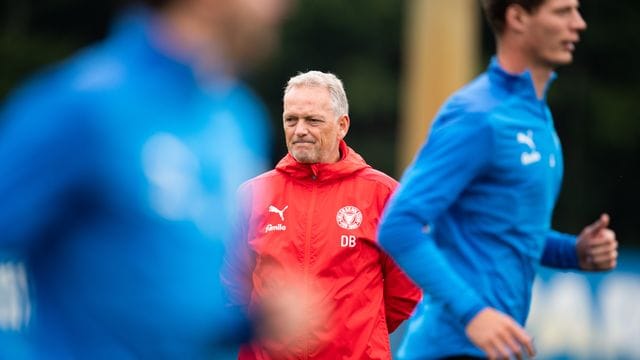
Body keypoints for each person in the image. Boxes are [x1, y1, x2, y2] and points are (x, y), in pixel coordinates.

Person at [0, 0, 292, 358]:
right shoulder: (82, 106)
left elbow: (175, 304)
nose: (282, 7)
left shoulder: (238, 119)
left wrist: (250, 321)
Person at [378, 0, 619, 359]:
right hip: (448, 350)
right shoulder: (478, 115)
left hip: (494, 350)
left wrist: (573, 253)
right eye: (562, 11)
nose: (578, 23)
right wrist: (472, 313)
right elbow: (398, 225)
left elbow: (508, 231)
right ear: (517, 17)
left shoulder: (537, 119)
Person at [222, 70, 422, 359]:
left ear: (342, 125)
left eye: (313, 120)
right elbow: (230, 286)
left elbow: (406, 292)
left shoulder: (384, 195)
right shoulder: (252, 195)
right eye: (291, 119)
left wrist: (354, 333)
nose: (300, 129)